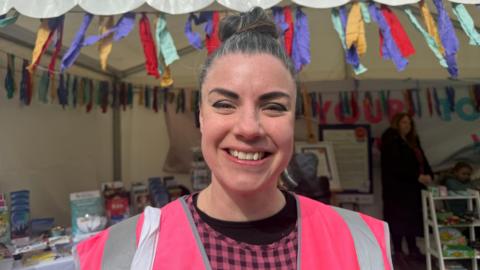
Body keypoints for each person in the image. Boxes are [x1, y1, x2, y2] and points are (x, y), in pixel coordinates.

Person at [74, 7, 392, 269]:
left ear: (293, 121)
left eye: (273, 106)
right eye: (225, 104)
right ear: (201, 115)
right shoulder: (119, 255)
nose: (249, 128)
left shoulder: (361, 241)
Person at [381, 112, 433, 260]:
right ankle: (397, 250)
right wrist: (417, 176)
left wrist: (429, 174)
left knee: (413, 219)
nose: (407, 125)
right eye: (404, 122)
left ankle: (412, 248)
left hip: (413, 189)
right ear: (396, 123)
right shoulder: (391, 139)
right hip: (397, 189)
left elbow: (422, 160)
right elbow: (395, 165)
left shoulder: (413, 140)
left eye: (409, 123)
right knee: (397, 219)